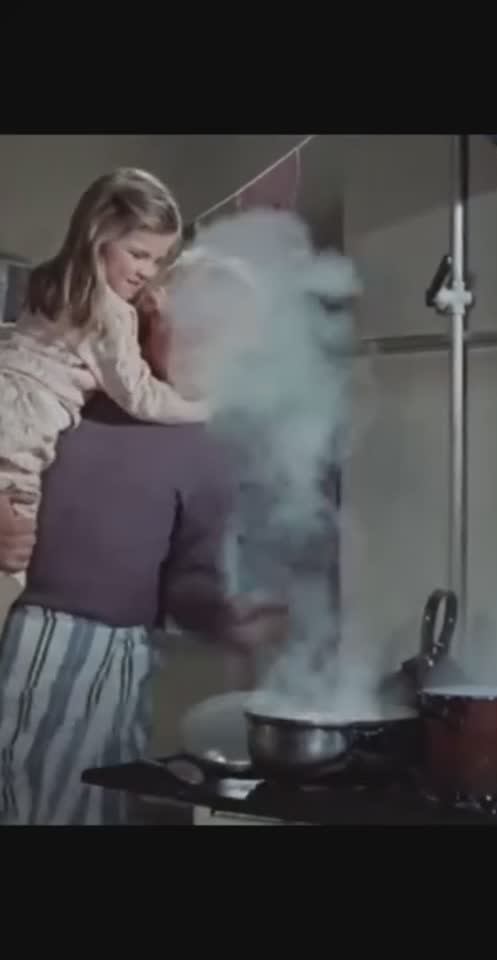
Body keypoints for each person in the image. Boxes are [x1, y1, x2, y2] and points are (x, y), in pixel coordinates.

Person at [0, 284, 287, 826]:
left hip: (104, 656)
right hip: (29, 631)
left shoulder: (210, 446)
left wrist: (234, 620)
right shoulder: (72, 383)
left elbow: (193, 583)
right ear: (148, 316)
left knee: (75, 805)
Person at [0, 168, 209, 622]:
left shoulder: (53, 284)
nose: (146, 272)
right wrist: (206, 408)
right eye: (138, 254)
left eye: (158, 261)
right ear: (99, 236)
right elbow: (141, 395)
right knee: (11, 568)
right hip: (22, 436)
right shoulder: (109, 314)